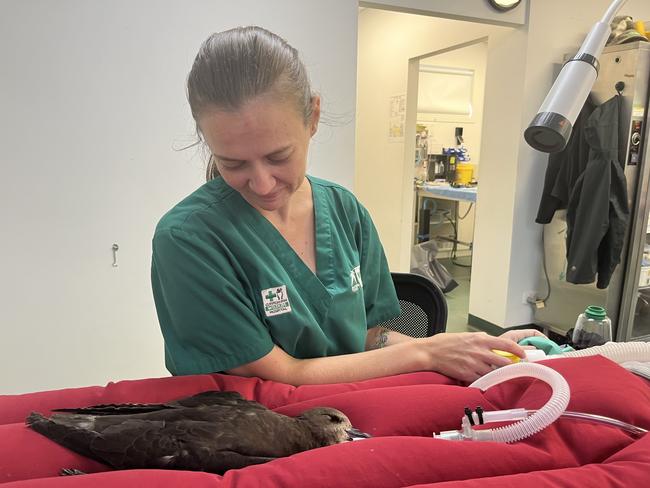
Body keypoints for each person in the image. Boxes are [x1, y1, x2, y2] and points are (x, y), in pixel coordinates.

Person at [151, 26, 544, 386]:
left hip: (356, 419)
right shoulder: (189, 239)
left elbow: (370, 336)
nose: (263, 183)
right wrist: (425, 351)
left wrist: (469, 350)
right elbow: (281, 376)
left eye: (278, 156)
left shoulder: (343, 210)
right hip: (260, 440)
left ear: (314, 118)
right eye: (233, 163)